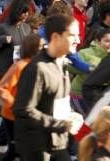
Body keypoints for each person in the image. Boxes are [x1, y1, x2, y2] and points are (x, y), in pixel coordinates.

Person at [14, 13, 84, 161]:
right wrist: (60, 124)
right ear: (55, 37)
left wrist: (71, 115)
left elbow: (56, 103)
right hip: (39, 149)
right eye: (72, 35)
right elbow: (23, 110)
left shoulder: (62, 64)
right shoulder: (38, 68)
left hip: (59, 144)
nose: (78, 40)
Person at [0, 33, 43, 161]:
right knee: (15, 152)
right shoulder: (20, 66)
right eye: (41, 46)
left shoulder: (39, 66)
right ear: (33, 48)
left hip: (27, 116)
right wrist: (16, 105)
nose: (44, 49)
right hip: (12, 116)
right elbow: (1, 88)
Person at [0, 0, 32, 80]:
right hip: (6, 74)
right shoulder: (3, 28)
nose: (26, 14)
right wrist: (2, 39)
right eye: (24, 12)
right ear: (17, 11)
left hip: (22, 72)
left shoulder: (27, 28)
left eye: (27, 12)